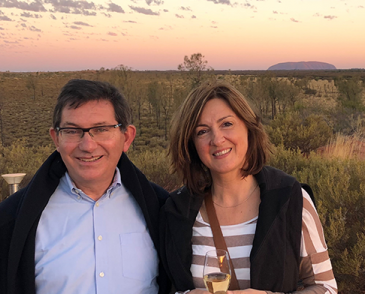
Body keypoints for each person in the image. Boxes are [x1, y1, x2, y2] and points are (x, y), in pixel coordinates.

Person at [161, 80, 337, 294]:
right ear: (191, 145)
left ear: (248, 127)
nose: (217, 139)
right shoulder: (177, 211)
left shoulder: (289, 199)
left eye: (227, 124)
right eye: (202, 131)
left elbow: (325, 287)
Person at [0, 79, 170, 294]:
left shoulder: (161, 208)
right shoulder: (12, 221)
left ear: (127, 138)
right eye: (72, 131)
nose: (87, 145)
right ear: (56, 139)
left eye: (101, 129)